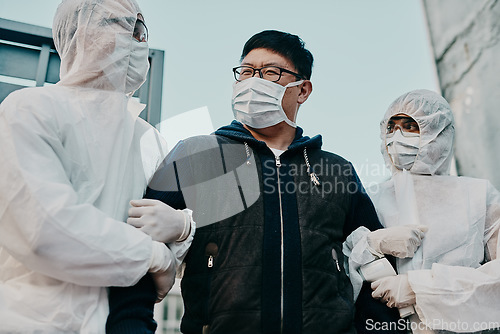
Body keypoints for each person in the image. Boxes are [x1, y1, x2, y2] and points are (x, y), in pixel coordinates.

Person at [106, 30, 424, 334]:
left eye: (271, 72)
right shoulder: (197, 153)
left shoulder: (336, 170)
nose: (253, 82)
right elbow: (141, 246)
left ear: (302, 90)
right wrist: (130, 326)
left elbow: (375, 266)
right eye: (246, 71)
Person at [0, 0, 193, 333]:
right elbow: (44, 230)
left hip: (125, 322)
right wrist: (153, 256)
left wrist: (182, 228)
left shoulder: (150, 140)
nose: (135, 39)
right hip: (32, 320)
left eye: (140, 30)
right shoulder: (30, 110)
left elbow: (180, 254)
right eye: (118, 24)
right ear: (79, 34)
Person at [345, 89, 500, 333]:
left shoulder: (478, 195)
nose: (397, 137)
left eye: (410, 126)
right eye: (391, 128)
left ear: (440, 133)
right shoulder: (370, 198)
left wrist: (420, 288)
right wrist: (369, 245)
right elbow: (336, 275)